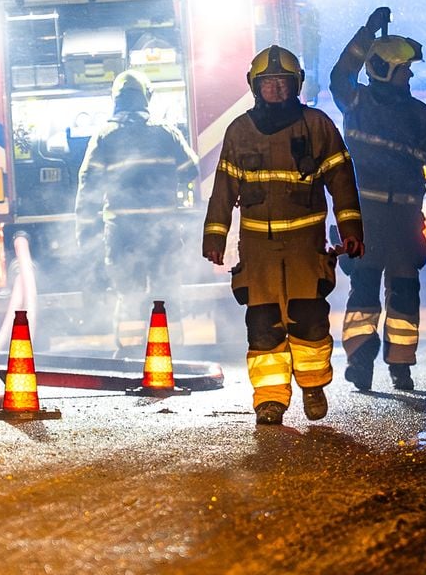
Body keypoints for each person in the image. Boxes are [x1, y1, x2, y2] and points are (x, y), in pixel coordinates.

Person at [202, 46, 364, 426]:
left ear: (296, 86)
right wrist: (214, 235)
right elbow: (224, 185)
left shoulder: (318, 126)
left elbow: (342, 181)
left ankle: (312, 385)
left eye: (283, 82)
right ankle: (270, 399)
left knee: (309, 321)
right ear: (255, 87)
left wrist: (351, 230)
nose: (276, 89)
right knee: (262, 326)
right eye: (268, 83)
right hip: (257, 251)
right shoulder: (239, 131)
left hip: (306, 248)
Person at [330, 8, 426, 392]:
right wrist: (366, 33)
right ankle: (360, 361)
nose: (409, 75)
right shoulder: (357, 102)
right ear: (384, 69)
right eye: (404, 69)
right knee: (363, 293)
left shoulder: (418, 114)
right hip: (366, 217)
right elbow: (339, 74)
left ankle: (400, 365)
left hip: (405, 217)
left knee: (405, 295)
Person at [75, 70, 199, 348]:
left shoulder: (105, 136)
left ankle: (131, 358)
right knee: (165, 292)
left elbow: (88, 189)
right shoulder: (166, 133)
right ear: (146, 98)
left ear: (116, 99)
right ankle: (174, 354)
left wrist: (84, 237)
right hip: (163, 233)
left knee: (128, 294)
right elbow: (191, 170)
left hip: (122, 236)